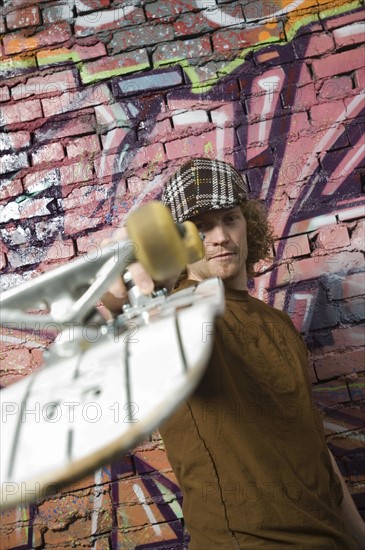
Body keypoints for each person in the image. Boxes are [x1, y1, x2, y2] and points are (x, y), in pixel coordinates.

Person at [104, 158, 364, 549]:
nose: (220, 237)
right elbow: (136, 337)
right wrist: (115, 299)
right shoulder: (177, 313)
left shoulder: (277, 324)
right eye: (201, 227)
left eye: (230, 219)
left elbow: (312, 444)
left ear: (248, 226)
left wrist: (357, 535)